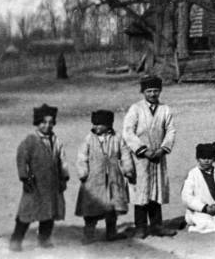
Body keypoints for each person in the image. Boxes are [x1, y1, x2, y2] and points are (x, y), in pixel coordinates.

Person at [123, 75, 177, 238]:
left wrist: (163, 149)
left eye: (155, 91)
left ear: (160, 91)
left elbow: (171, 130)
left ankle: (157, 226)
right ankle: (140, 227)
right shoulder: (136, 109)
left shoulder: (164, 109)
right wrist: (143, 150)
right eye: (149, 91)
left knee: (156, 191)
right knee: (141, 192)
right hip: (141, 158)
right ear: (143, 91)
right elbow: (128, 132)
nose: (152, 94)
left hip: (158, 157)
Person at [10, 104, 69, 253]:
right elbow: (21, 159)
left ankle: (44, 239)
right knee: (26, 212)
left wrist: (63, 178)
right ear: (37, 123)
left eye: (50, 122)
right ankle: (16, 240)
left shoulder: (56, 141)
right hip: (34, 183)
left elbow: (62, 160)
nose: (47, 126)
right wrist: (25, 177)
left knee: (49, 212)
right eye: (43, 122)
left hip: (52, 184)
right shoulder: (30, 141)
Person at [75, 110, 135, 244]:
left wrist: (128, 170)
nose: (96, 126)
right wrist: (83, 172)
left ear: (109, 124)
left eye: (100, 124)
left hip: (113, 179)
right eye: (94, 124)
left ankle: (111, 233)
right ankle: (89, 234)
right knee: (91, 209)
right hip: (93, 179)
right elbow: (81, 157)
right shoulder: (89, 139)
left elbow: (125, 155)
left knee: (112, 208)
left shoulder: (118, 138)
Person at [181, 143, 215, 234]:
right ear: (198, 159)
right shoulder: (192, 174)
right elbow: (187, 197)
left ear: (214, 159)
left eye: (209, 158)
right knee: (205, 224)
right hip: (198, 211)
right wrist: (204, 208)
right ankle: (191, 227)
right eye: (203, 158)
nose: (206, 161)